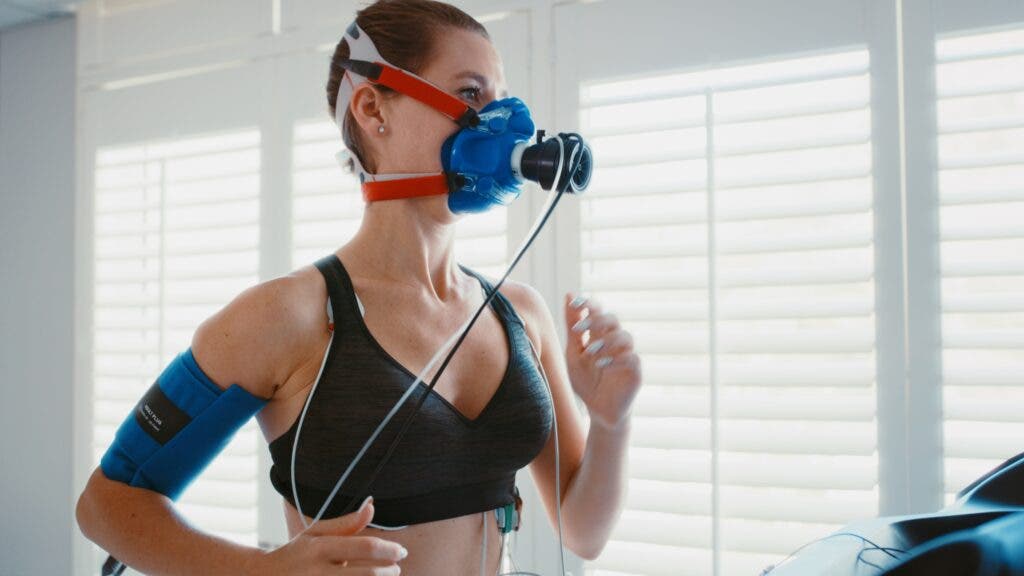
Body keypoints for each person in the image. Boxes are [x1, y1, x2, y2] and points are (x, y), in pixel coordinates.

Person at [75, 1, 642, 574]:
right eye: (472, 95)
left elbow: (584, 531)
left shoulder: (521, 315)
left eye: (500, 98)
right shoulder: (288, 316)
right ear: (374, 107)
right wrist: (262, 571)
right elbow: (105, 505)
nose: (505, 122)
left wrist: (612, 422)